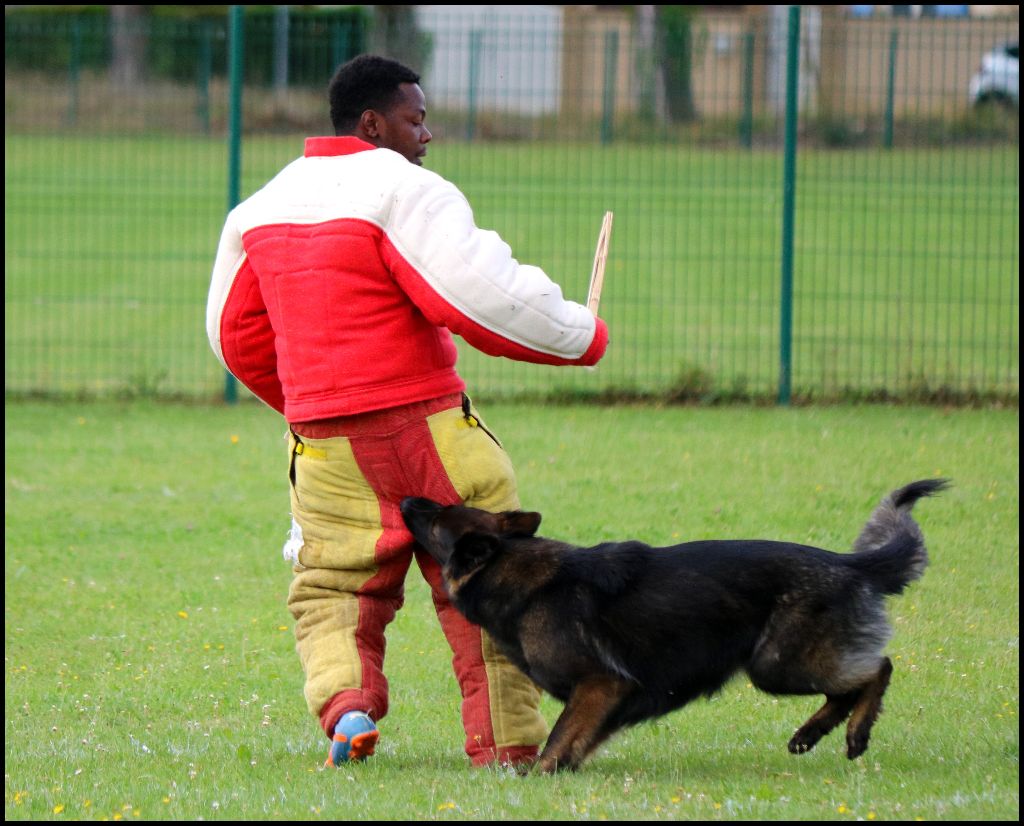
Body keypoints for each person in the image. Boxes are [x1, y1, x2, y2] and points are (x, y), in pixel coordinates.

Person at [206, 54, 608, 769]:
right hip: (431, 433)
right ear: (373, 123)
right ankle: (507, 747)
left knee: (331, 589)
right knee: (489, 580)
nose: (428, 135)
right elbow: (480, 297)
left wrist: (310, 404)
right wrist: (580, 335)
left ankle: (348, 711)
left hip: (325, 448)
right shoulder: (405, 191)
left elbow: (233, 335)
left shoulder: (258, 208)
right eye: (415, 119)